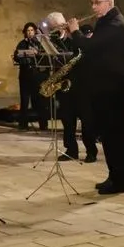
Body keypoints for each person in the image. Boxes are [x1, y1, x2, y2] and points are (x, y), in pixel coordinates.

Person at [68, 0, 124, 194]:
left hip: (113, 88)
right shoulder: (107, 22)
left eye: (97, 3)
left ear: (108, 3)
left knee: (115, 136)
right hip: (105, 87)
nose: (93, 7)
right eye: (92, 3)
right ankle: (114, 176)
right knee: (109, 136)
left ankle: (120, 180)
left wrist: (75, 31)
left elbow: (89, 47)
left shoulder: (115, 24)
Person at [43, 12, 98, 163]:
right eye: (55, 28)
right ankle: (71, 150)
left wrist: (73, 33)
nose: (58, 30)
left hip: (82, 85)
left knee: (87, 120)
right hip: (64, 86)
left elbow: (85, 53)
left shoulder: (77, 37)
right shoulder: (52, 41)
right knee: (67, 120)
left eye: (60, 26)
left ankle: (91, 151)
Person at [13, 22, 48, 131]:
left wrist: (37, 53)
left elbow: (46, 56)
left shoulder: (40, 43)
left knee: (40, 101)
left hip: (37, 76)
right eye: (28, 31)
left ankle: (43, 124)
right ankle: (23, 124)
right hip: (25, 76)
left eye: (32, 30)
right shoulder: (22, 43)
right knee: (24, 101)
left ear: (35, 31)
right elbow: (16, 56)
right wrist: (25, 54)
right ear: (25, 32)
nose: (30, 33)